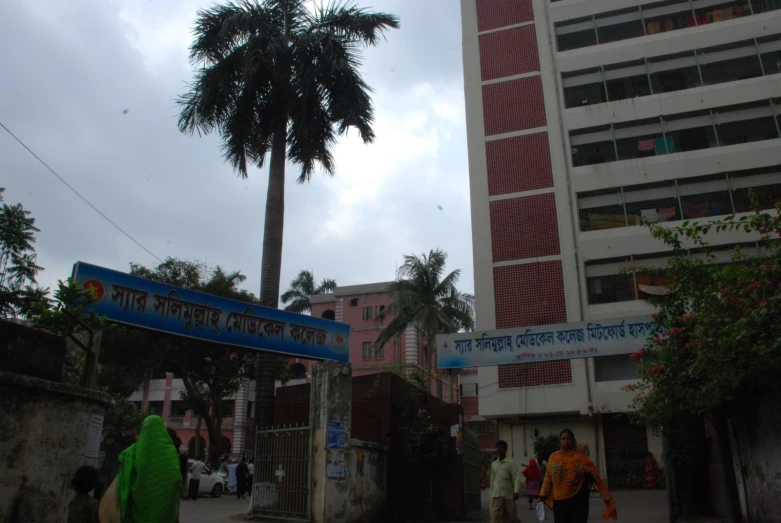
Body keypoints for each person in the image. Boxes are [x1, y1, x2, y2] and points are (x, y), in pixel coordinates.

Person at [539, 429, 617, 523]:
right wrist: (542, 496)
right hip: (559, 501)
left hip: (578, 499)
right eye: (563, 439)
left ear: (573, 440)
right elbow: (548, 477)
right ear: (560, 441)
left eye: (568, 439)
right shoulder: (554, 457)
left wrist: (605, 494)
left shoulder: (580, 457)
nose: (566, 441)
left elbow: (594, 475)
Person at [116, 415, 182, 523]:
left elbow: (124, 478)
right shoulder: (171, 451)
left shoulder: (132, 451)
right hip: (165, 513)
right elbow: (175, 480)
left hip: (135, 512)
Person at [490, 440, 520, 523]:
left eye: (502, 447)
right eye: (498, 447)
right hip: (496, 495)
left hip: (508, 495)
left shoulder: (510, 463)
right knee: (495, 517)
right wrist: (492, 492)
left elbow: (516, 477)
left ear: (505, 449)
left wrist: (516, 491)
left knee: (511, 518)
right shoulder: (494, 464)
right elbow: (492, 480)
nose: (499, 449)